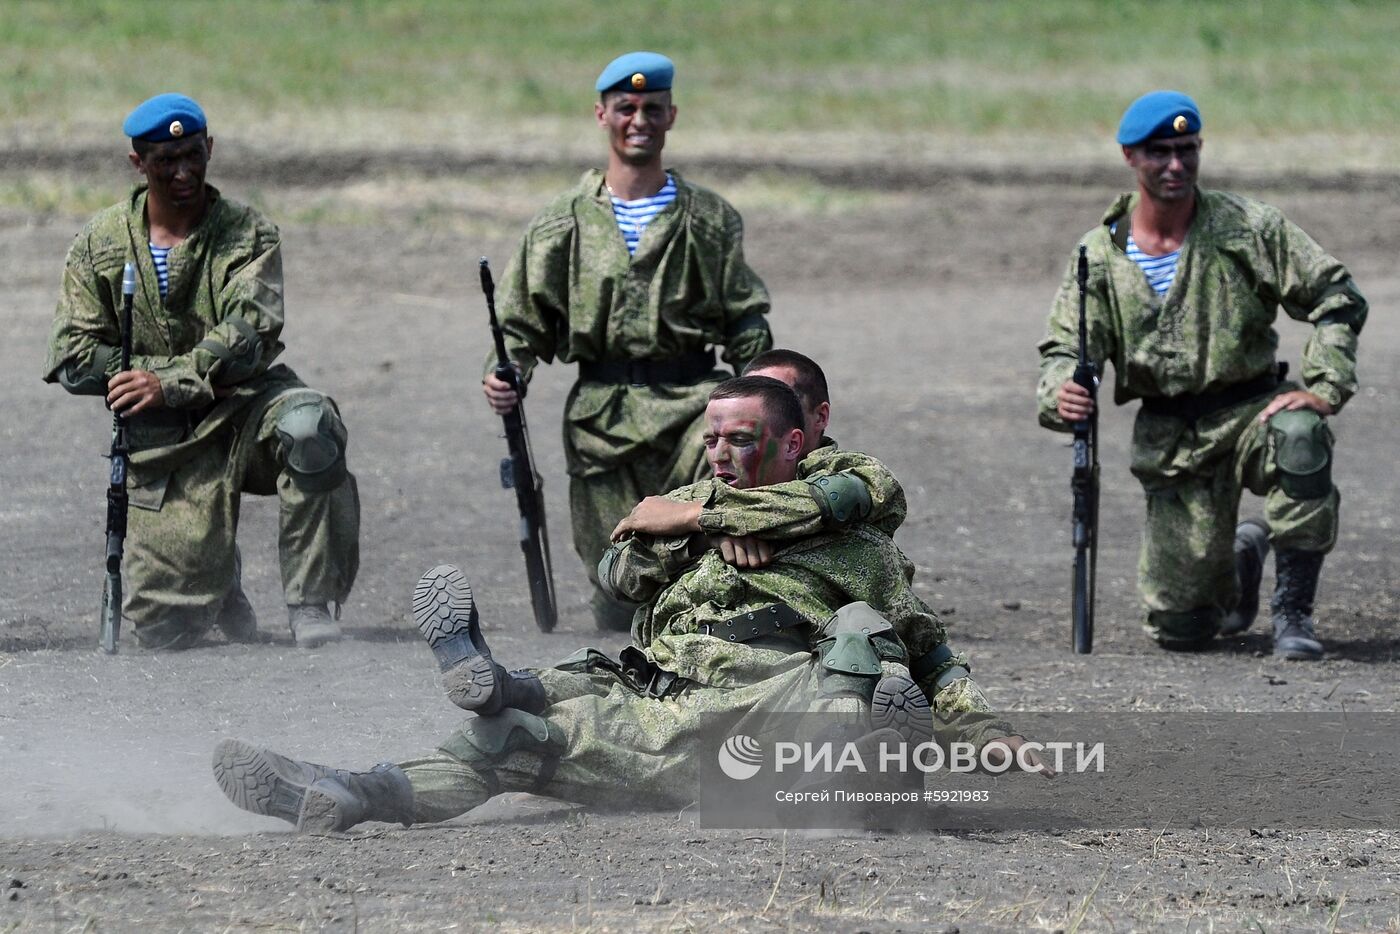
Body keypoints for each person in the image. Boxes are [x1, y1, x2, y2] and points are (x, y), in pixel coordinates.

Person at [214, 378, 1039, 833]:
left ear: (795, 446)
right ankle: (345, 793)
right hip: (658, 709)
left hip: (774, 705)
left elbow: (926, 648)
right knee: (510, 741)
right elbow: (615, 570)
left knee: (864, 634)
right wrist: (695, 534)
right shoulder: (681, 530)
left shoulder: (856, 546)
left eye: (739, 439)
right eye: (711, 439)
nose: (718, 453)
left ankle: (859, 787)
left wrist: (985, 732)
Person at [1037, 90, 1367, 659]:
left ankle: (1294, 615)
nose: (1175, 165)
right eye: (1159, 152)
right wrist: (1062, 391)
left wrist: (1323, 386)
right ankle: (1239, 564)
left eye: (1187, 150)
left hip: (1253, 411)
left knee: (1301, 440)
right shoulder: (1099, 254)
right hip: (1172, 439)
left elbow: (1336, 295)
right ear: (1129, 157)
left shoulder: (1248, 228)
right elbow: (1068, 347)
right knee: (1182, 630)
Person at [43, 93, 360, 650]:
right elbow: (71, 354)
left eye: (193, 155)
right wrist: (141, 384)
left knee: (311, 426)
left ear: (209, 149)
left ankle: (311, 602)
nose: (184, 172)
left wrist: (167, 382)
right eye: (166, 160)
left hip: (250, 406)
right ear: (138, 163)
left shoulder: (249, 234)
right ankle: (219, 582)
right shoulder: (99, 245)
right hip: (164, 438)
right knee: (165, 633)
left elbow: (250, 332)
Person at [480, 51, 773, 631]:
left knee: (718, 523)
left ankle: (718, 623)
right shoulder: (559, 224)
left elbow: (744, 318)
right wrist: (506, 373)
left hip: (694, 408)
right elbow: (520, 322)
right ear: (601, 115)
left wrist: (765, 386)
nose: (638, 119)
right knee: (617, 585)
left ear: (671, 117)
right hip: (601, 416)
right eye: (626, 108)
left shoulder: (711, 220)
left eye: (652, 108)